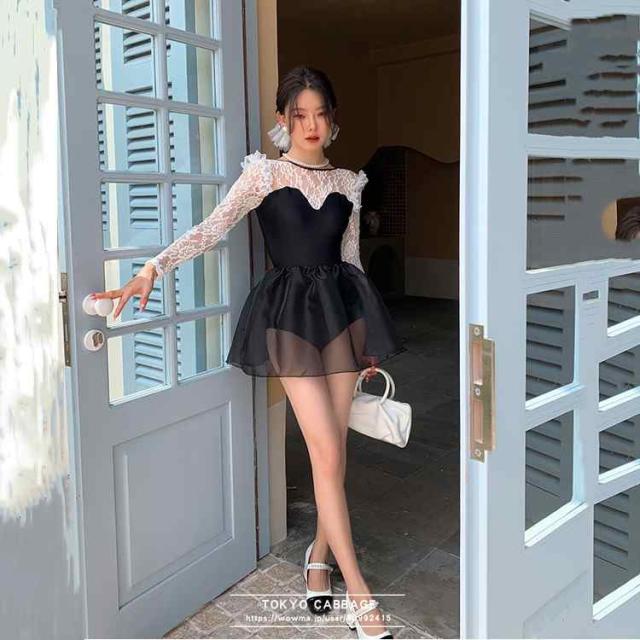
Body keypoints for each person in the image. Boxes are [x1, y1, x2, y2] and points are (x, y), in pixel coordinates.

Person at [91, 65, 404, 639]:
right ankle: (360, 596)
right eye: (299, 115)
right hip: (289, 319)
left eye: (320, 113)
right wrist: (152, 267)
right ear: (283, 120)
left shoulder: (349, 183)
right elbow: (211, 228)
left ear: (332, 119)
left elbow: (352, 259)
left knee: (335, 455)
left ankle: (318, 558)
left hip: (341, 316)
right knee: (325, 451)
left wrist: (366, 339)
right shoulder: (264, 174)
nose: (311, 124)